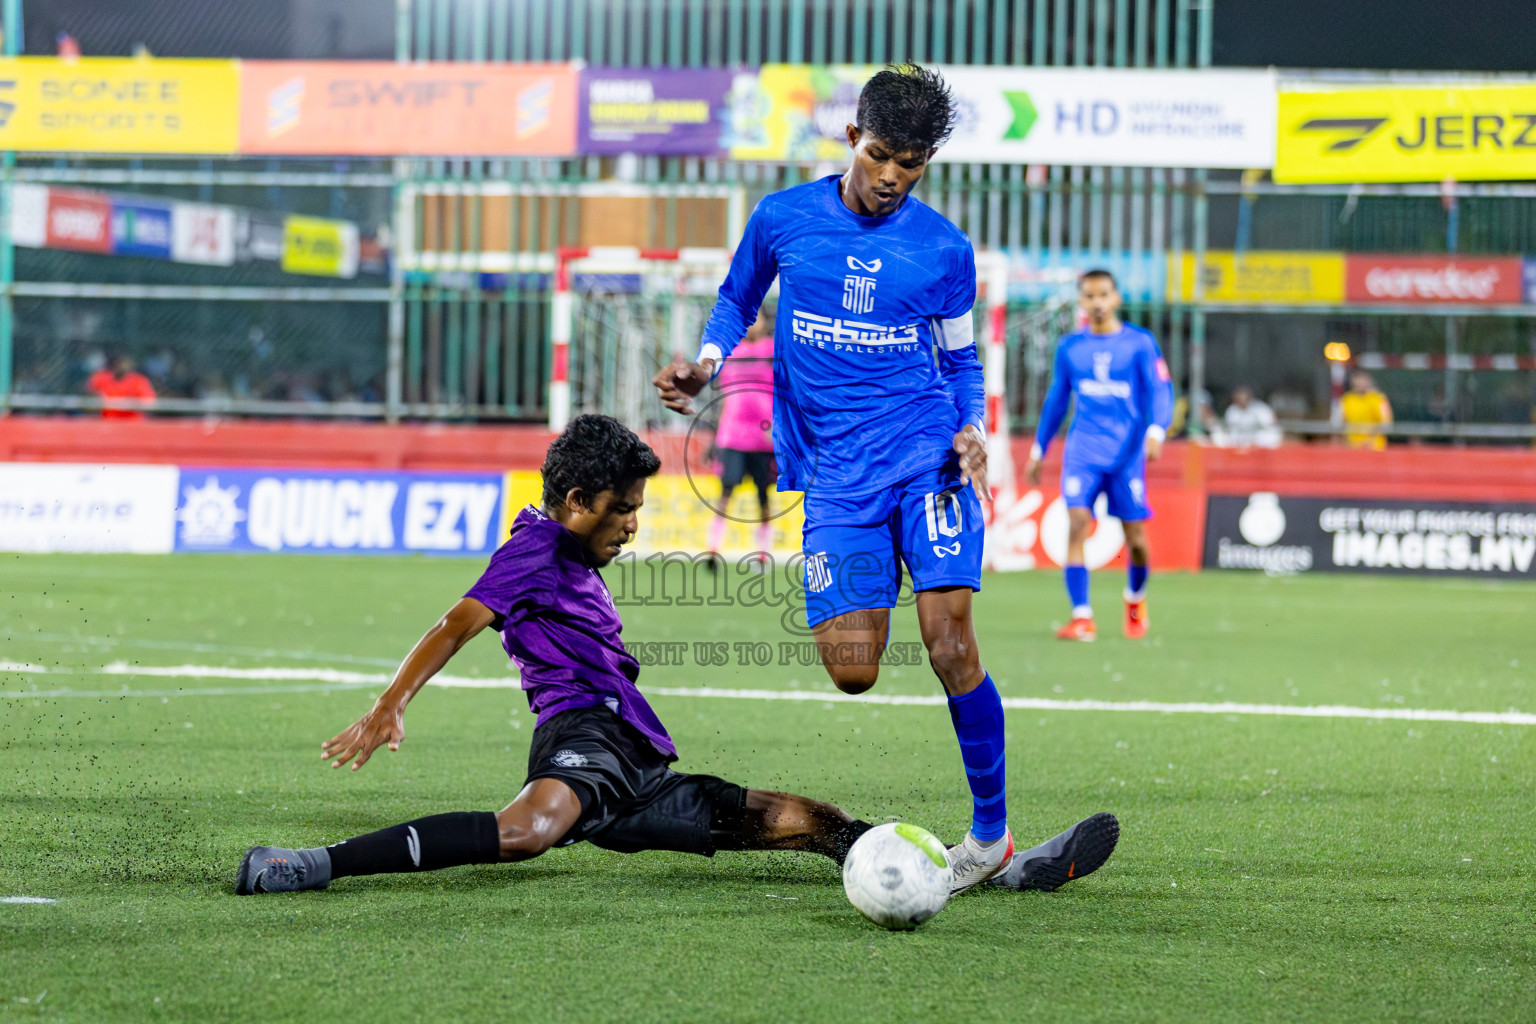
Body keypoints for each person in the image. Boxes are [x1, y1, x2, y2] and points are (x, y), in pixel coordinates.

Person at [235, 416, 1120, 896]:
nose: (632, 524)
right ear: (577, 501)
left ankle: (953, 872)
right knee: (527, 832)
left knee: (811, 818)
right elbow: (457, 620)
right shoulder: (535, 551)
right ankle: (315, 865)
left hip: (639, 774)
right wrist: (393, 702)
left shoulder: (567, 550)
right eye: (622, 510)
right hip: (582, 742)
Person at [651, 64, 1014, 892]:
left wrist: (974, 431)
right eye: (883, 154)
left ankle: (988, 837)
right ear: (852, 138)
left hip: (929, 458)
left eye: (912, 163)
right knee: (854, 667)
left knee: (952, 643)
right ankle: (879, 567)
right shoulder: (783, 219)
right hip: (838, 473)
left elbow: (960, 358)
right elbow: (735, 299)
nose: (893, 177)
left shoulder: (944, 248)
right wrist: (708, 365)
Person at [1023, 270, 1174, 643]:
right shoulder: (1071, 347)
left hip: (1126, 455)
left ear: (1117, 298)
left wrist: (1156, 430)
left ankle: (1135, 598)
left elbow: (1160, 390)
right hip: (1083, 452)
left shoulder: (1140, 344)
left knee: (1135, 539)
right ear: (1081, 302)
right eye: (1090, 296)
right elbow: (1057, 401)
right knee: (1076, 524)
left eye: (1104, 294)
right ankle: (1082, 616)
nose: (1098, 302)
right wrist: (1039, 449)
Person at [706, 307, 777, 567]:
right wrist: (714, 436)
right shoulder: (729, 350)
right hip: (732, 435)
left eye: (756, 318)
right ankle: (713, 549)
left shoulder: (772, 350)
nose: (751, 323)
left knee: (764, 496)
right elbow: (720, 397)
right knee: (725, 492)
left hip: (763, 437)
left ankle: (762, 553)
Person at [85, 354, 156, 420]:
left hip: (132, 421)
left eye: (123, 364)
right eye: (117, 364)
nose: (120, 367)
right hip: (108, 421)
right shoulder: (101, 378)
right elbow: (89, 397)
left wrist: (128, 403)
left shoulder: (139, 381)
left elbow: (148, 402)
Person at [1341, 370, 1392, 450]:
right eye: (1358, 380)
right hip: (1352, 447)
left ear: (1369, 382)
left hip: (1375, 447)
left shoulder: (1378, 398)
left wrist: (1370, 439)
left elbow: (1386, 424)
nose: (1361, 383)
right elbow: (1339, 423)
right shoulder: (1347, 399)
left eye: (1363, 380)